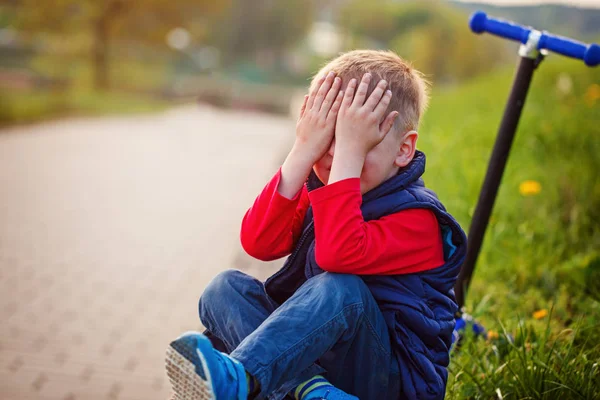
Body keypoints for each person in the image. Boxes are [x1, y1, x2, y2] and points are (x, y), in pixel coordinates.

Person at [165, 50, 467, 400]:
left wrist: (344, 160)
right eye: (328, 139)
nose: (338, 156)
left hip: (389, 380)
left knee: (340, 289)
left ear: (403, 150)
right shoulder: (325, 187)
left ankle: (242, 381)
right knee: (224, 289)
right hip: (327, 367)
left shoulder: (419, 220)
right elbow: (258, 243)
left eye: (357, 143)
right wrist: (302, 152)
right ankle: (307, 389)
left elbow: (336, 258)